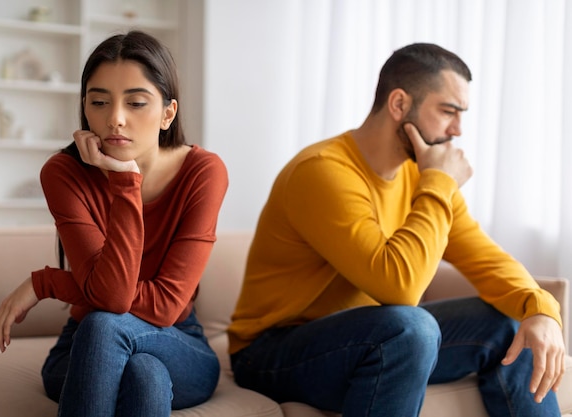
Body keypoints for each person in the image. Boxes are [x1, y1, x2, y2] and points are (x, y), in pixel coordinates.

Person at [227, 43, 566, 417]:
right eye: (448, 111)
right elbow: (399, 287)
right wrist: (438, 182)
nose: (458, 130)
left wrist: (541, 310)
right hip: (273, 353)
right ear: (400, 104)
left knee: (512, 321)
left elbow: (485, 258)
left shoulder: (420, 177)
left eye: (461, 115)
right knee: (410, 327)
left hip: (374, 342)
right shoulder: (323, 172)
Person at [0, 30, 228, 417]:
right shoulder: (64, 173)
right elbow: (112, 297)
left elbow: (165, 306)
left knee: (109, 327)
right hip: (82, 348)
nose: (115, 119)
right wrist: (125, 180)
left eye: (135, 103)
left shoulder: (203, 172)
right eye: (99, 102)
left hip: (178, 342)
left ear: (168, 113)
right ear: (85, 108)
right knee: (141, 372)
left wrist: (47, 283)